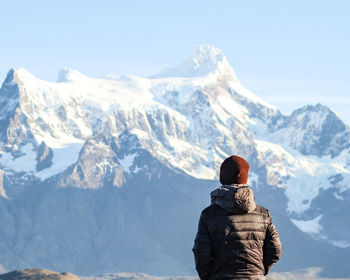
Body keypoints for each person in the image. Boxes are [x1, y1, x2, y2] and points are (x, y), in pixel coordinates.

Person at [192, 155, 282, 280]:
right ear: (245, 177)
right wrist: (258, 271)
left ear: (222, 178)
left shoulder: (209, 214)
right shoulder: (263, 214)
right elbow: (275, 250)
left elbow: (201, 253)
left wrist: (210, 276)